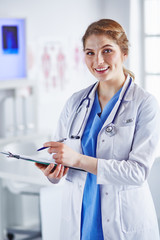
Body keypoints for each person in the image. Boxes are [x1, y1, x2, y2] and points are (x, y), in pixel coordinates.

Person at [36, 19, 160, 240]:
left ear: (124, 53)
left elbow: (138, 172)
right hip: (81, 221)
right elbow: (62, 160)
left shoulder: (145, 103)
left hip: (123, 224)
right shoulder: (76, 102)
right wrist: (53, 173)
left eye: (107, 50)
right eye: (90, 53)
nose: (98, 60)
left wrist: (77, 160)